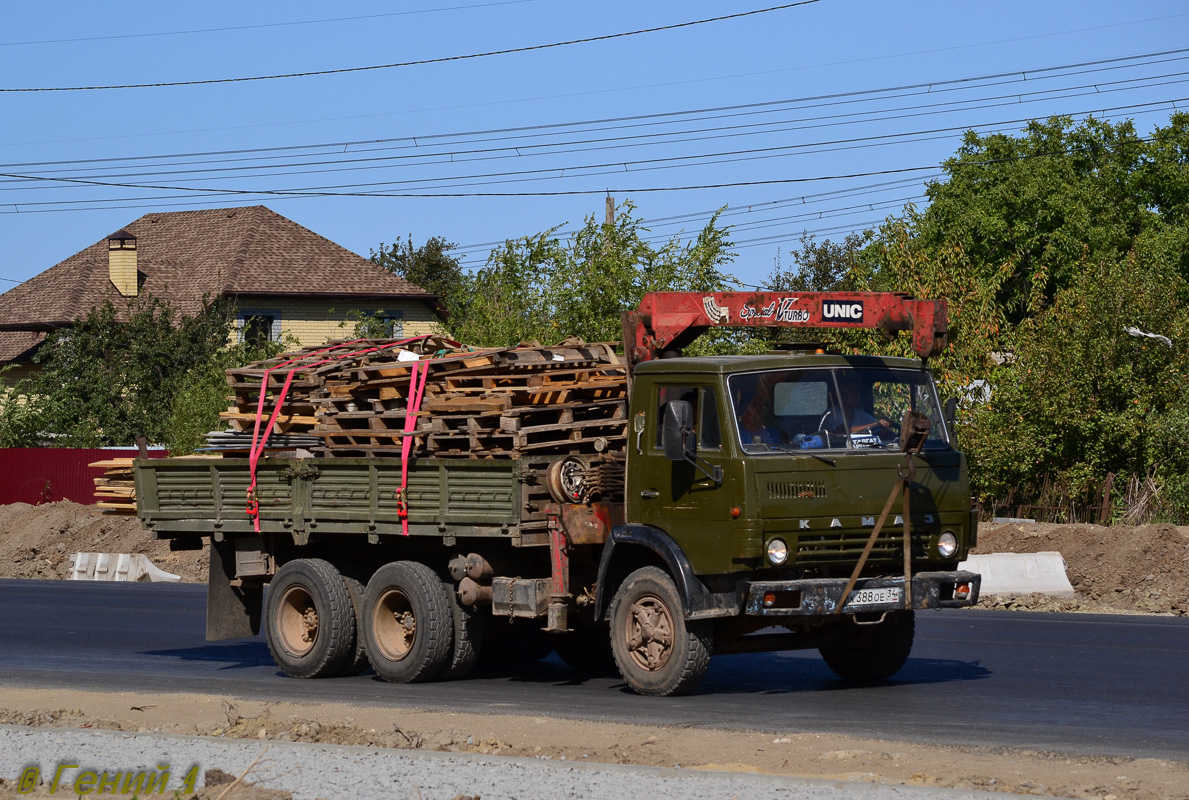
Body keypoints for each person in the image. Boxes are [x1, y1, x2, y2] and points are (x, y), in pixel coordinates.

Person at [822, 376, 892, 434]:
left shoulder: (860, 414)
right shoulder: (831, 414)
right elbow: (845, 430)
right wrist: (874, 424)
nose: (855, 395)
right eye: (850, 392)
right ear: (840, 395)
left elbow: (877, 427)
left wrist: (884, 427)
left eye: (857, 392)